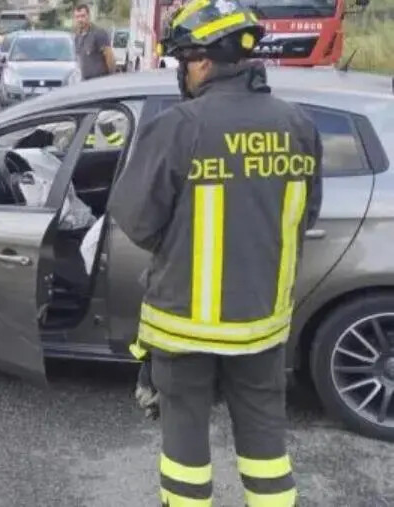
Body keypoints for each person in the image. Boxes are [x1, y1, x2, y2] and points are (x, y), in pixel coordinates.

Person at [107, 0, 323, 505]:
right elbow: (304, 217)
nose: (182, 72)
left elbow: (137, 221)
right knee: (266, 444)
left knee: (184, 442)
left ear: (203, 61)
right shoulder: (298, 126)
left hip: (183, 326)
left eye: (183, 61)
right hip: (262, 325)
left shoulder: (179, 126)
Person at [73, 4, 115, 79]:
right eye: (77, 17)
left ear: (88, 16)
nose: (80, 20)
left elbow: (109, 56)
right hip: (85, 81)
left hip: (99, 80)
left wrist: (111, 77)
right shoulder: (77, 36)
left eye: (83, 16)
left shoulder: (98, 33)